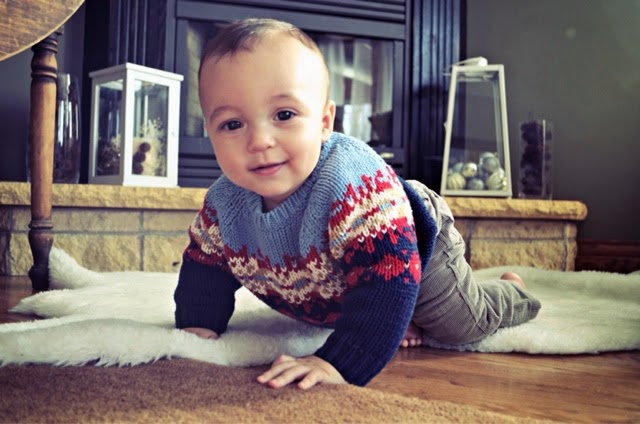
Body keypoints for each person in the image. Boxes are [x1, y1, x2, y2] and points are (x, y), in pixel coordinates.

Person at [174, 18, 541, 390]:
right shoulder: (224, 204)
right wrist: (198, 324)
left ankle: (511, 291)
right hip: (347, 277)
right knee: (372, 303)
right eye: (232, 124)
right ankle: (395, 316)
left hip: (409, 241)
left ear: (324, 122)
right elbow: (204, 268)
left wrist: (337, 362)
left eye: (284, 115)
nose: (259, 141)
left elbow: (387, 276)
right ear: (209, 133)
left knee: (460, 325)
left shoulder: (352, 185)